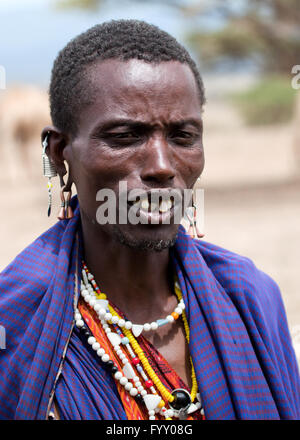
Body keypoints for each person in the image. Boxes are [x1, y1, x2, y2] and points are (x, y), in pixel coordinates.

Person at [0, 19, 299, 421]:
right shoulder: (15, 320)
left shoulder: (250, 298)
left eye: (183, 136)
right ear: (59, 154)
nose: (162, 167)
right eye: (124, 136)